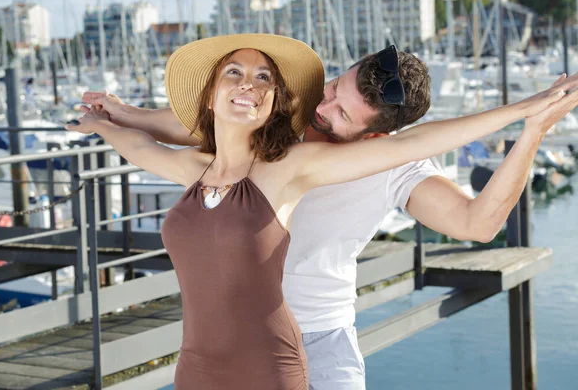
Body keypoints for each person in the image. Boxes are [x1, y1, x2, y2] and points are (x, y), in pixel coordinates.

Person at [72, 34, 578, 389]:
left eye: (341, 111)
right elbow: (204, 122)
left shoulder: (391, 164)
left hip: (320, 339)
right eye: (336, 85)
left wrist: (530, 129)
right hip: (220, 346)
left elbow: (478, 224)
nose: (324, 105)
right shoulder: (283, 112)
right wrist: (119, 115)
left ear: (378, 136)